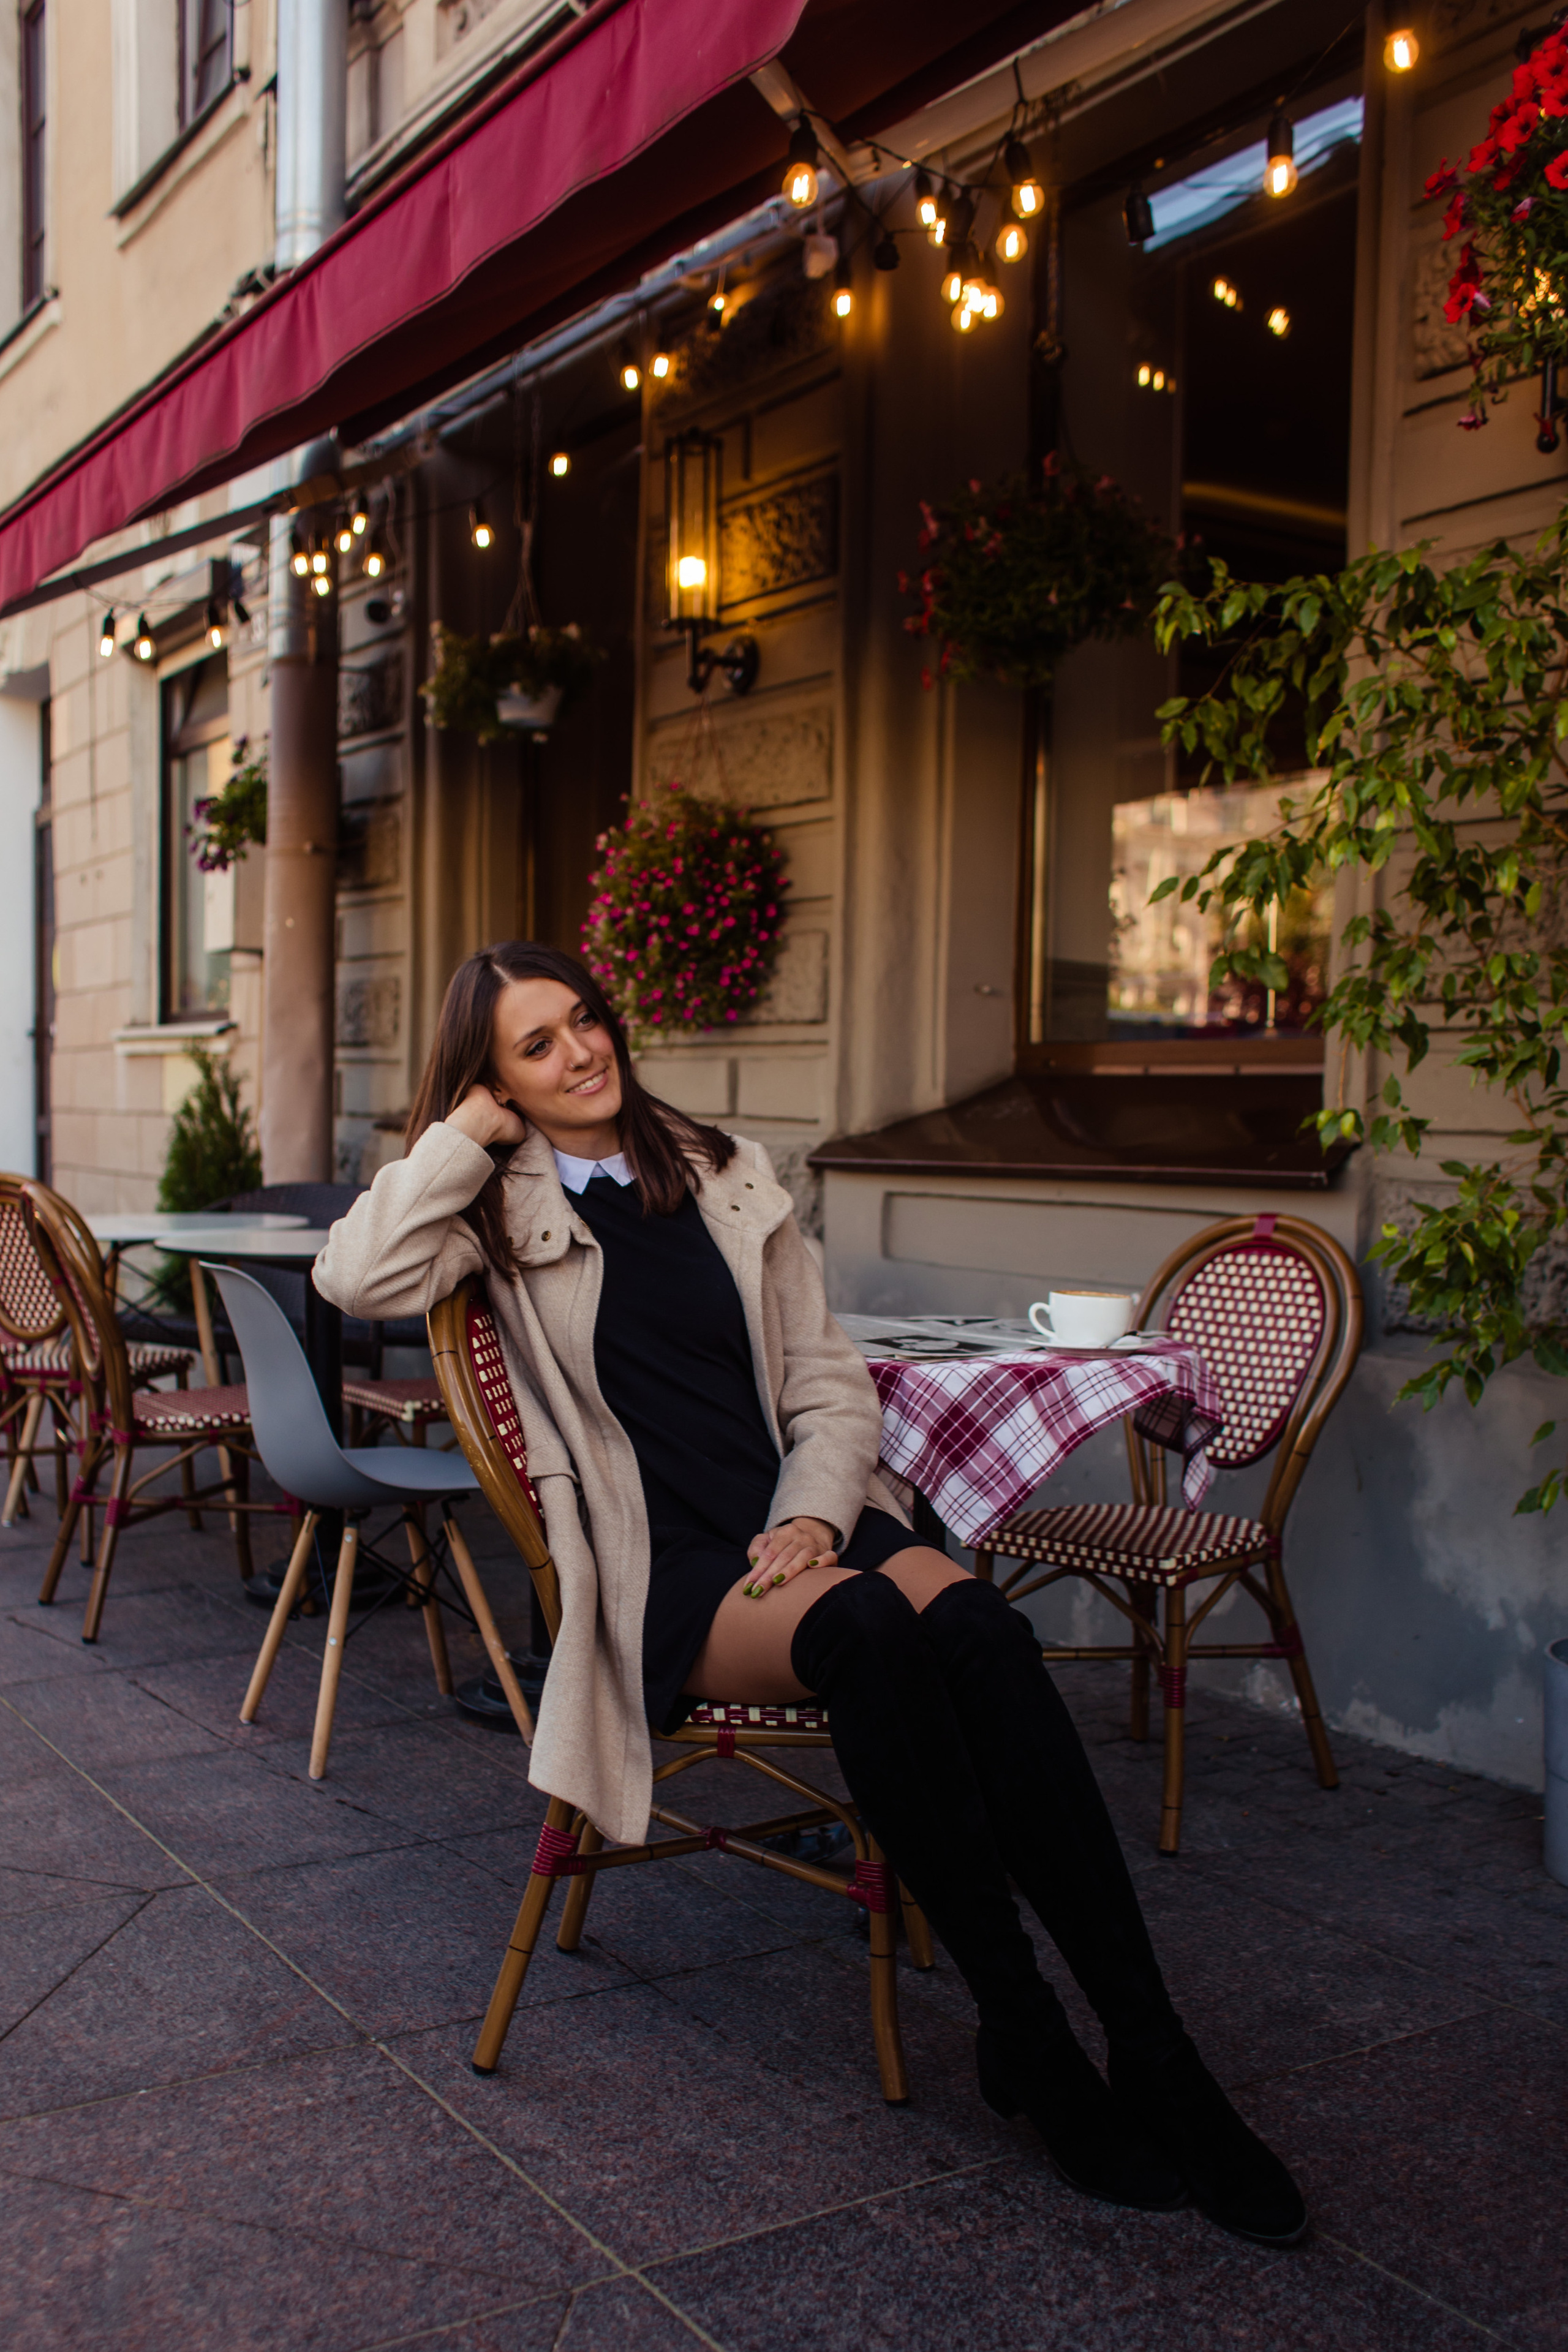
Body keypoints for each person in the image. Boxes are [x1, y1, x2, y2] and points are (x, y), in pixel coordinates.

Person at [314, 940, 1308, 2246]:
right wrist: (458, 1137)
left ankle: (1150, 2048)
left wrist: (809, 1513)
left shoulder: (724, 1174)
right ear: (492, 1081)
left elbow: (830, 1386)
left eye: (587, 1021)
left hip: (794, 1525)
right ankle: (1026, 2035)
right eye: (535, 1046)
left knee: (979, 1629)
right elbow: (353, 1278)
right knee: (870, 1632)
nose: (580, 1052)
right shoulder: (492, 1212)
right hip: (660, 1568)